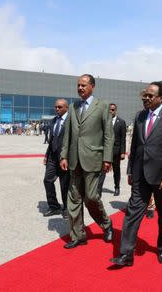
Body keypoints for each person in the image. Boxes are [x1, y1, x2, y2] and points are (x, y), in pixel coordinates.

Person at [110, 82, 162, 266]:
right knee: (132, 213)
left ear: (161, 98)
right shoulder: (140, 116)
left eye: (150, 95)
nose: (146, 98)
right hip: (140, 174)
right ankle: (126, 254)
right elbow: (135, 146)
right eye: (145, 95)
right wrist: (130, 171)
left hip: (161, 177)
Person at [60, 74, 114, 249]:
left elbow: (108, 135)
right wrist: (64, 156)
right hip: (75, 160)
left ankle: (106, 224)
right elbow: (67, 134)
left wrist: (107, 158)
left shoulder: (102, 106)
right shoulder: (74, 107)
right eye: (78, 85)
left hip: (93, 158)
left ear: (92, 86)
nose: (80, 88)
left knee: (91, 197)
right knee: (74, 199)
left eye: (83, 85)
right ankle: (78, 235)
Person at [43, 99, 70, 219]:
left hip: (65, 158)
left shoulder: (71, 121)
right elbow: (52, 140)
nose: (57, 109)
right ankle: (54, 206)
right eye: (56, 107)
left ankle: (66, 208)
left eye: (60, 107)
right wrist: (46, 155)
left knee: (64, 185)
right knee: (47, 180)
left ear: (66, 108)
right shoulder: (54, 120)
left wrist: (67, 157)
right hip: (52, 157)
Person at [97, 103, 126, 197]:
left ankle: (117, 187)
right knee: (102, 171)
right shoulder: (103, 121)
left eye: (113, 110)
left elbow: (123, 138)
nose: (111, 111)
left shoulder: (121, 122)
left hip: (116, 152)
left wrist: (122, 152)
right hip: (105, 151)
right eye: (109, 109)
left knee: (116, 171)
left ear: (116, 110)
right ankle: (99, 190)